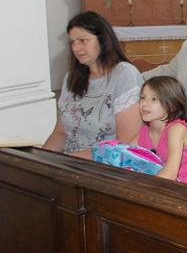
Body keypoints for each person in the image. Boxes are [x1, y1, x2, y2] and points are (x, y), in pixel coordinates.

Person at [43, 11, 143, 155]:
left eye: (83, 40)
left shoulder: (125, 75)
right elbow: (60, 133)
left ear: (103, 40)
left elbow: (125, 144)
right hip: (70, 160)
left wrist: (73, 159)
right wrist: (43, 159)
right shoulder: (71, 77)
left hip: (106, 162)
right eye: (72, 42)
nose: (76, 48)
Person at [132, 76, 187, 184]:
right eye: (142, 97)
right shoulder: (142, 133)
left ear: (172, 105)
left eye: (154, 99)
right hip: (153, 187)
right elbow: (126, 158)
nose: (144, 104)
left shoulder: (177, 129)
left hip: (178, 191)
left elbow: (170, 174)